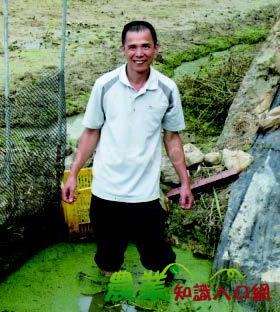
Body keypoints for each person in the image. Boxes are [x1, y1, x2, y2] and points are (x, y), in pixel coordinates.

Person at [61, 21, 194, 279]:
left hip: (145, 195)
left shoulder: (166, 89)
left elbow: (172, 139)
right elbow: (91, 133)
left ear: (156, 48)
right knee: (108, 261)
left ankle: (160, 301)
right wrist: (74, 173)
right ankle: (111, 300)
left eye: (146, 46)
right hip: (106, 192)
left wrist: (185, 182)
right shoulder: (105, 85)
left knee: (159, 263)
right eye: (132, 47)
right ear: (123, 49)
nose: (139, 53)